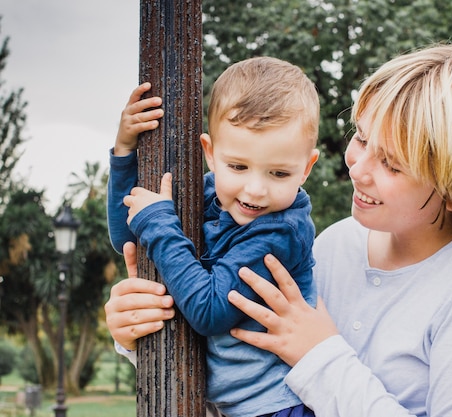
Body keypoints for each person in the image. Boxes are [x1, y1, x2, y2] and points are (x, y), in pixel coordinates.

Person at [105, 43, 452, 417]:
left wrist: (319, 355)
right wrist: (147, 330)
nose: (357, 167)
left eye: (391, 163)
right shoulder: (338, 243)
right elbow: (241, 375)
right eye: (361, 137)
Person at [107, 56, 320, 417]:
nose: (254, 191)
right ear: (210, 153)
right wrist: (125, 151)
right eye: (237, 167)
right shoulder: (209, 195)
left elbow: (210, 311)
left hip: (279, 406)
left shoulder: (282, 229)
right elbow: (130, 234)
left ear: (307, 168)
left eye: (279, 174)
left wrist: (159, 224)